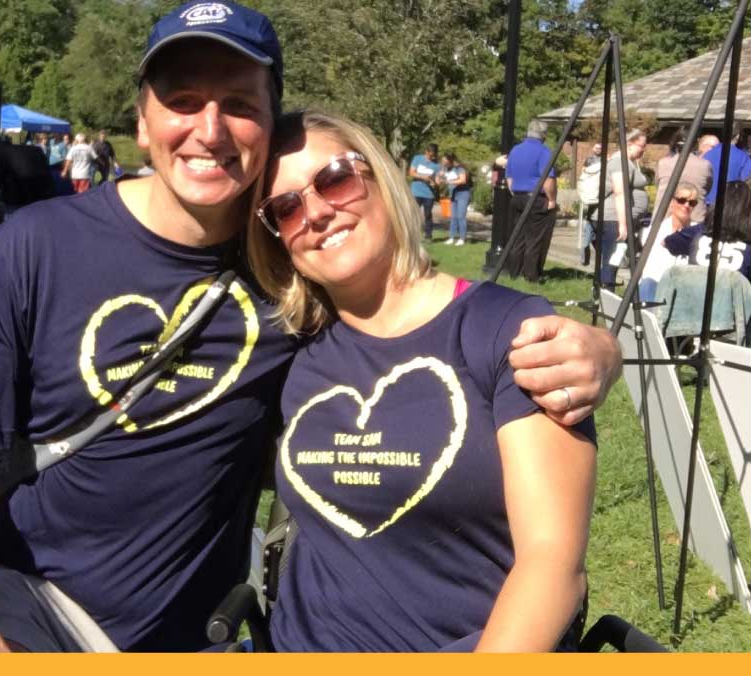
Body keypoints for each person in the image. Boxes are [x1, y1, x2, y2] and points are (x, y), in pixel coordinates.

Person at [0, 0, 623, 654]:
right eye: (182, 100)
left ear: (270, 124)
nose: (208, 130)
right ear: (142, 122)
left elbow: (430, 329)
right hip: (30, 609)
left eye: (238, 103)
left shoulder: (292, 280)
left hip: (190, 638)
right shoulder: (38, 245)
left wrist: (600, 347)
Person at [246, 110, 596, 652]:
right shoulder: (289, 351)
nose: (315, 212)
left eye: (334, 178)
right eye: (285, 208)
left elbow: (552, 563)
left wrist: (606, 350)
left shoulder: (502, 330)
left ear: (382, 179)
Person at [502, 117, 559, 283]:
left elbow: (509, 177)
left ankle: (515, 273)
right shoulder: (544, 151)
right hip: (536, 198)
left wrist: (515, 193)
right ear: (543, 134)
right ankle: (531, 275)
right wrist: (552, 200)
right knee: (535, 239)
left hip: (518, 197)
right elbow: (548, 179)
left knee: (518, 237)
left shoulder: (515, 150)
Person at [666, 180, 751, 286]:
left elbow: (669, 242)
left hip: (693, 299)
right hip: (732, 301)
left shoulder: (700, 232)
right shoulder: (750, 247)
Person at [595, 129, 650, 287]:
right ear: (630, 144)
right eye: (642, 145)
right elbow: (619, 192)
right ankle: (605, 294)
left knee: (616, 257)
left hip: (621, 219)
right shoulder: (619, 162)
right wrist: (622, 224)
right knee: (612, 258)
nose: (644, 149)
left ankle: (611, 291)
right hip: (613, 218)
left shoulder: (630, 163)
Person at [636, 181, 701, 302]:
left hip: (683, 292)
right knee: (647, 283)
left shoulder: (698, 235)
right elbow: (650, 271)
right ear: (672, 202)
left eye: (692, 203)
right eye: (682, 200)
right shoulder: (653, 232)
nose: (686, 205)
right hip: (655, 286)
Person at [654, 137, 713, 225]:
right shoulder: (705, 165)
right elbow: (708, 187)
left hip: (662, 218)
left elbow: (657, 185)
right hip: (694, 218)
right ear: (695, 144)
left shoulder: (663, 163)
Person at [701, 129, 751, 207]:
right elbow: (745, 181)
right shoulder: (743, 157)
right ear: (738, 136)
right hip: (729, 203)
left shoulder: (707, 154)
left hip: (707, 202)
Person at [407, 142, 440, 240]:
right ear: (426, 152)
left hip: (428, 194)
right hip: (416, 192)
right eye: (430, 155)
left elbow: (437, 180)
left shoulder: (436, 165)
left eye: (434, 155)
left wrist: (436, 183)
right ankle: (411, 235)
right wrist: (423, 177)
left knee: (428, 215)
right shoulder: (418, 159)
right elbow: (411, 173)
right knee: (413, 213)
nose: (432, 157)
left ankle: (428, 236)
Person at [576, 142, 602, 266]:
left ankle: (588, 254)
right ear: (593, 148)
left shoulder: (604, 160)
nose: (598, 150)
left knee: (591, 227)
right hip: (592, 194)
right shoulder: (590, 159)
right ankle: (586, 254)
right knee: (590, 226)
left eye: (600, 148)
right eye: (596, 147)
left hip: (598, 194)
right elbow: (583, 171)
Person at [439, 152, 472, 245]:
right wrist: (441, 177)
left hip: (463, 194)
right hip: (453, 194)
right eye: (442, 161)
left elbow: (463, 180)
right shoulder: (446, 169)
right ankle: (452, 237)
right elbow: (441, 179)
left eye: (445, 161)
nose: (443, 162)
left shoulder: (459, 168)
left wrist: (450, 181)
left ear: (450, 160)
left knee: (461, 216)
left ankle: (462, 238)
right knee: (453, 217)